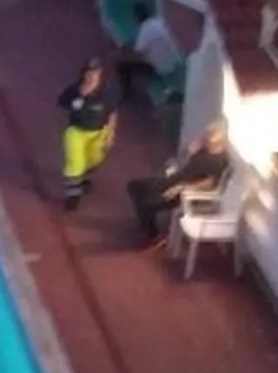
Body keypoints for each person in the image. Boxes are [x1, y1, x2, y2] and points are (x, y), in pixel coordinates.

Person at [128, 121, 232, 246]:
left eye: (211, 136)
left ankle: (154, 236)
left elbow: (210, 184)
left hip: (184, 193)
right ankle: (146, 223)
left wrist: (181, 187)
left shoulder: (219, 160)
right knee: (134, 186)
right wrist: (190, 150)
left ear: (221, 139)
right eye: (207, 134)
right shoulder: (203, 149)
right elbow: (183, 159)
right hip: (173, 180)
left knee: (146, 203)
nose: (207, 138)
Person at [58, 56, 116, 210]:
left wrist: (110, 134)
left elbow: (112, 113)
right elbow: (62, 103)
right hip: (76, 132)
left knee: (94, 159)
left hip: (98, 133)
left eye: (95, 72)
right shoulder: (73, 90)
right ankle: (73, 196)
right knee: (74, 164)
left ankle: (83, 179)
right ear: (83, 74)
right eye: (89, 72)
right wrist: (77, 101)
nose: (92, 76)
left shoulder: (106, 92)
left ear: (100, 73)